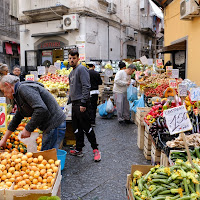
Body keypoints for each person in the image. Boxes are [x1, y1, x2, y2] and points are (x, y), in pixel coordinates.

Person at [0, 75, 66, 150]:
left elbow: (41, 109)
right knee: (48, 157)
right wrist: (4, 139)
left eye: (3, 91)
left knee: (48, 157)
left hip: (54, 124)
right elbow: (18, 117)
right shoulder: (18, 94)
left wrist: (28, 128)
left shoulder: (23, 89)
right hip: (51, 126)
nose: (4, 94)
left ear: (8, 85)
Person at [68, 50, 101, 162]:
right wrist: (69, 102)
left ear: (78, 58)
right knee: (76, 128)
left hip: (81, 103)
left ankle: (95, 150)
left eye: (73, 58)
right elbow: (72, 89)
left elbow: (86, 86)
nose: (71, 60)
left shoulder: (81, 69)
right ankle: (79, 149)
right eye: (70, 58)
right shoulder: (71, 73)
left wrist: (83, 103)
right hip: (74, 104)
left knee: (87, 127)